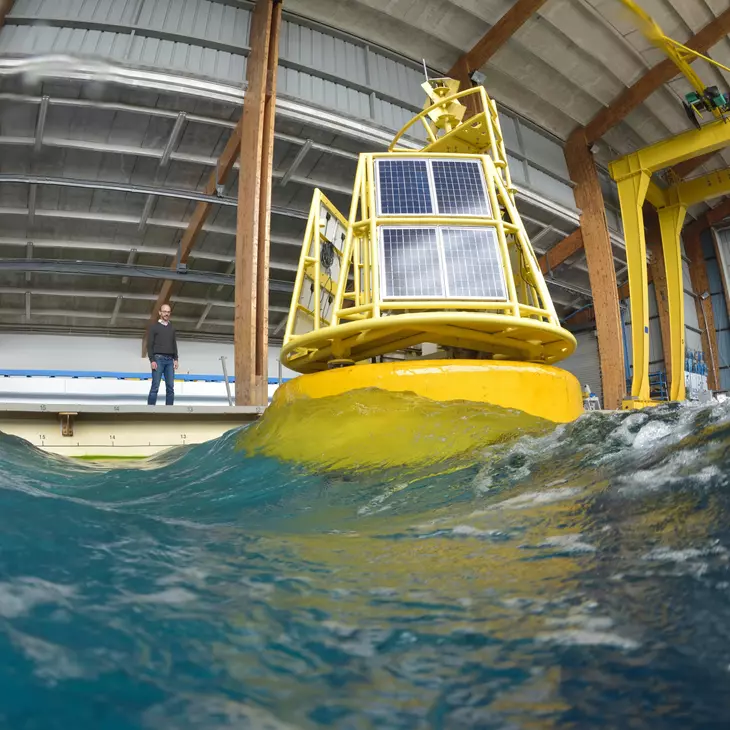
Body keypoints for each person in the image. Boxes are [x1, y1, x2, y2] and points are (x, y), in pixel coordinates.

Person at [147, 304, 179, 406]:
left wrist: (176, 359)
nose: (166, 314)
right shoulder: (154, 327)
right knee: (155, 386)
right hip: (158, 359)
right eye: (164, 311)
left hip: (170, 361)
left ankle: (169, 412)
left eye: (168, 312)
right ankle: (150, 411)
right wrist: (152, 360)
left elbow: (174, 344)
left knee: (170, 387)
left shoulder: (172, 328)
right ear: (160, 312)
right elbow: (149, 345)